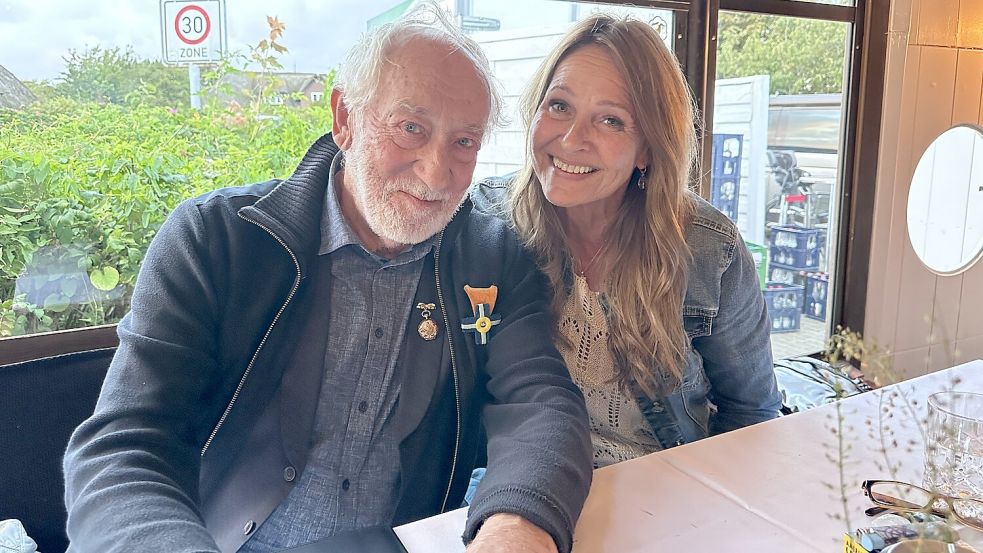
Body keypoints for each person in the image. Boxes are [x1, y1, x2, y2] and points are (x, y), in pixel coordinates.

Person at [62, 7, 591, 553]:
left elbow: (541, 402)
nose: (437, 172)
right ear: (345, 118)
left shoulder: (494, 258)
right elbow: (125, 446)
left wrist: (517, 525)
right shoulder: (215, 240)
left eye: (464, 142)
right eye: (411, 128)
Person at [474, 13, 782, 469]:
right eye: (559, 105)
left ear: (648, 150)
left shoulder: (708, 249)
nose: (572, 138)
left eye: (611, 120)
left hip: (667, 490)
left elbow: (752, 415)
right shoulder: (488, 220)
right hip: (519, 490)